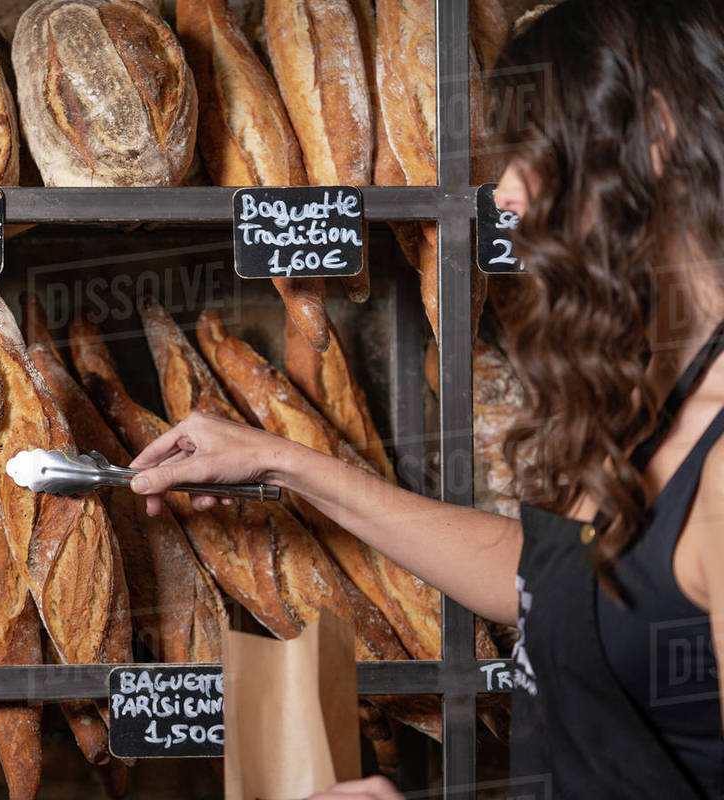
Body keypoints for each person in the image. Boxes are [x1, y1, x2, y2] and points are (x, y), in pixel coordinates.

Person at [128, 1, 724, 797]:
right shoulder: (665, 383)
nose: (505, 194)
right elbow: (562, 580)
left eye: (536, 151)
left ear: (658, 133)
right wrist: (285, 463)